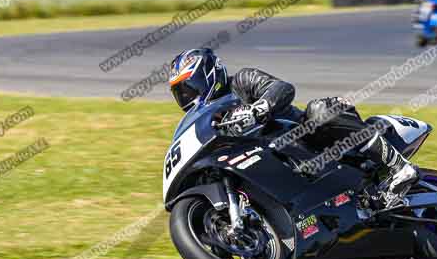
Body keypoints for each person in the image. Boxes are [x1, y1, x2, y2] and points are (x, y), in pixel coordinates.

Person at [167, 48, 417, 194]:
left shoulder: (241, 81)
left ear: (208, 74)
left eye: (190, 88)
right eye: (181, 94)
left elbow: (282, 88)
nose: (188, 97)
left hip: (308, 137)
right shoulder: (211, 119)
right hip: (277, 163)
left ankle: (398, 166)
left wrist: (259, 108)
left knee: (320, 110)